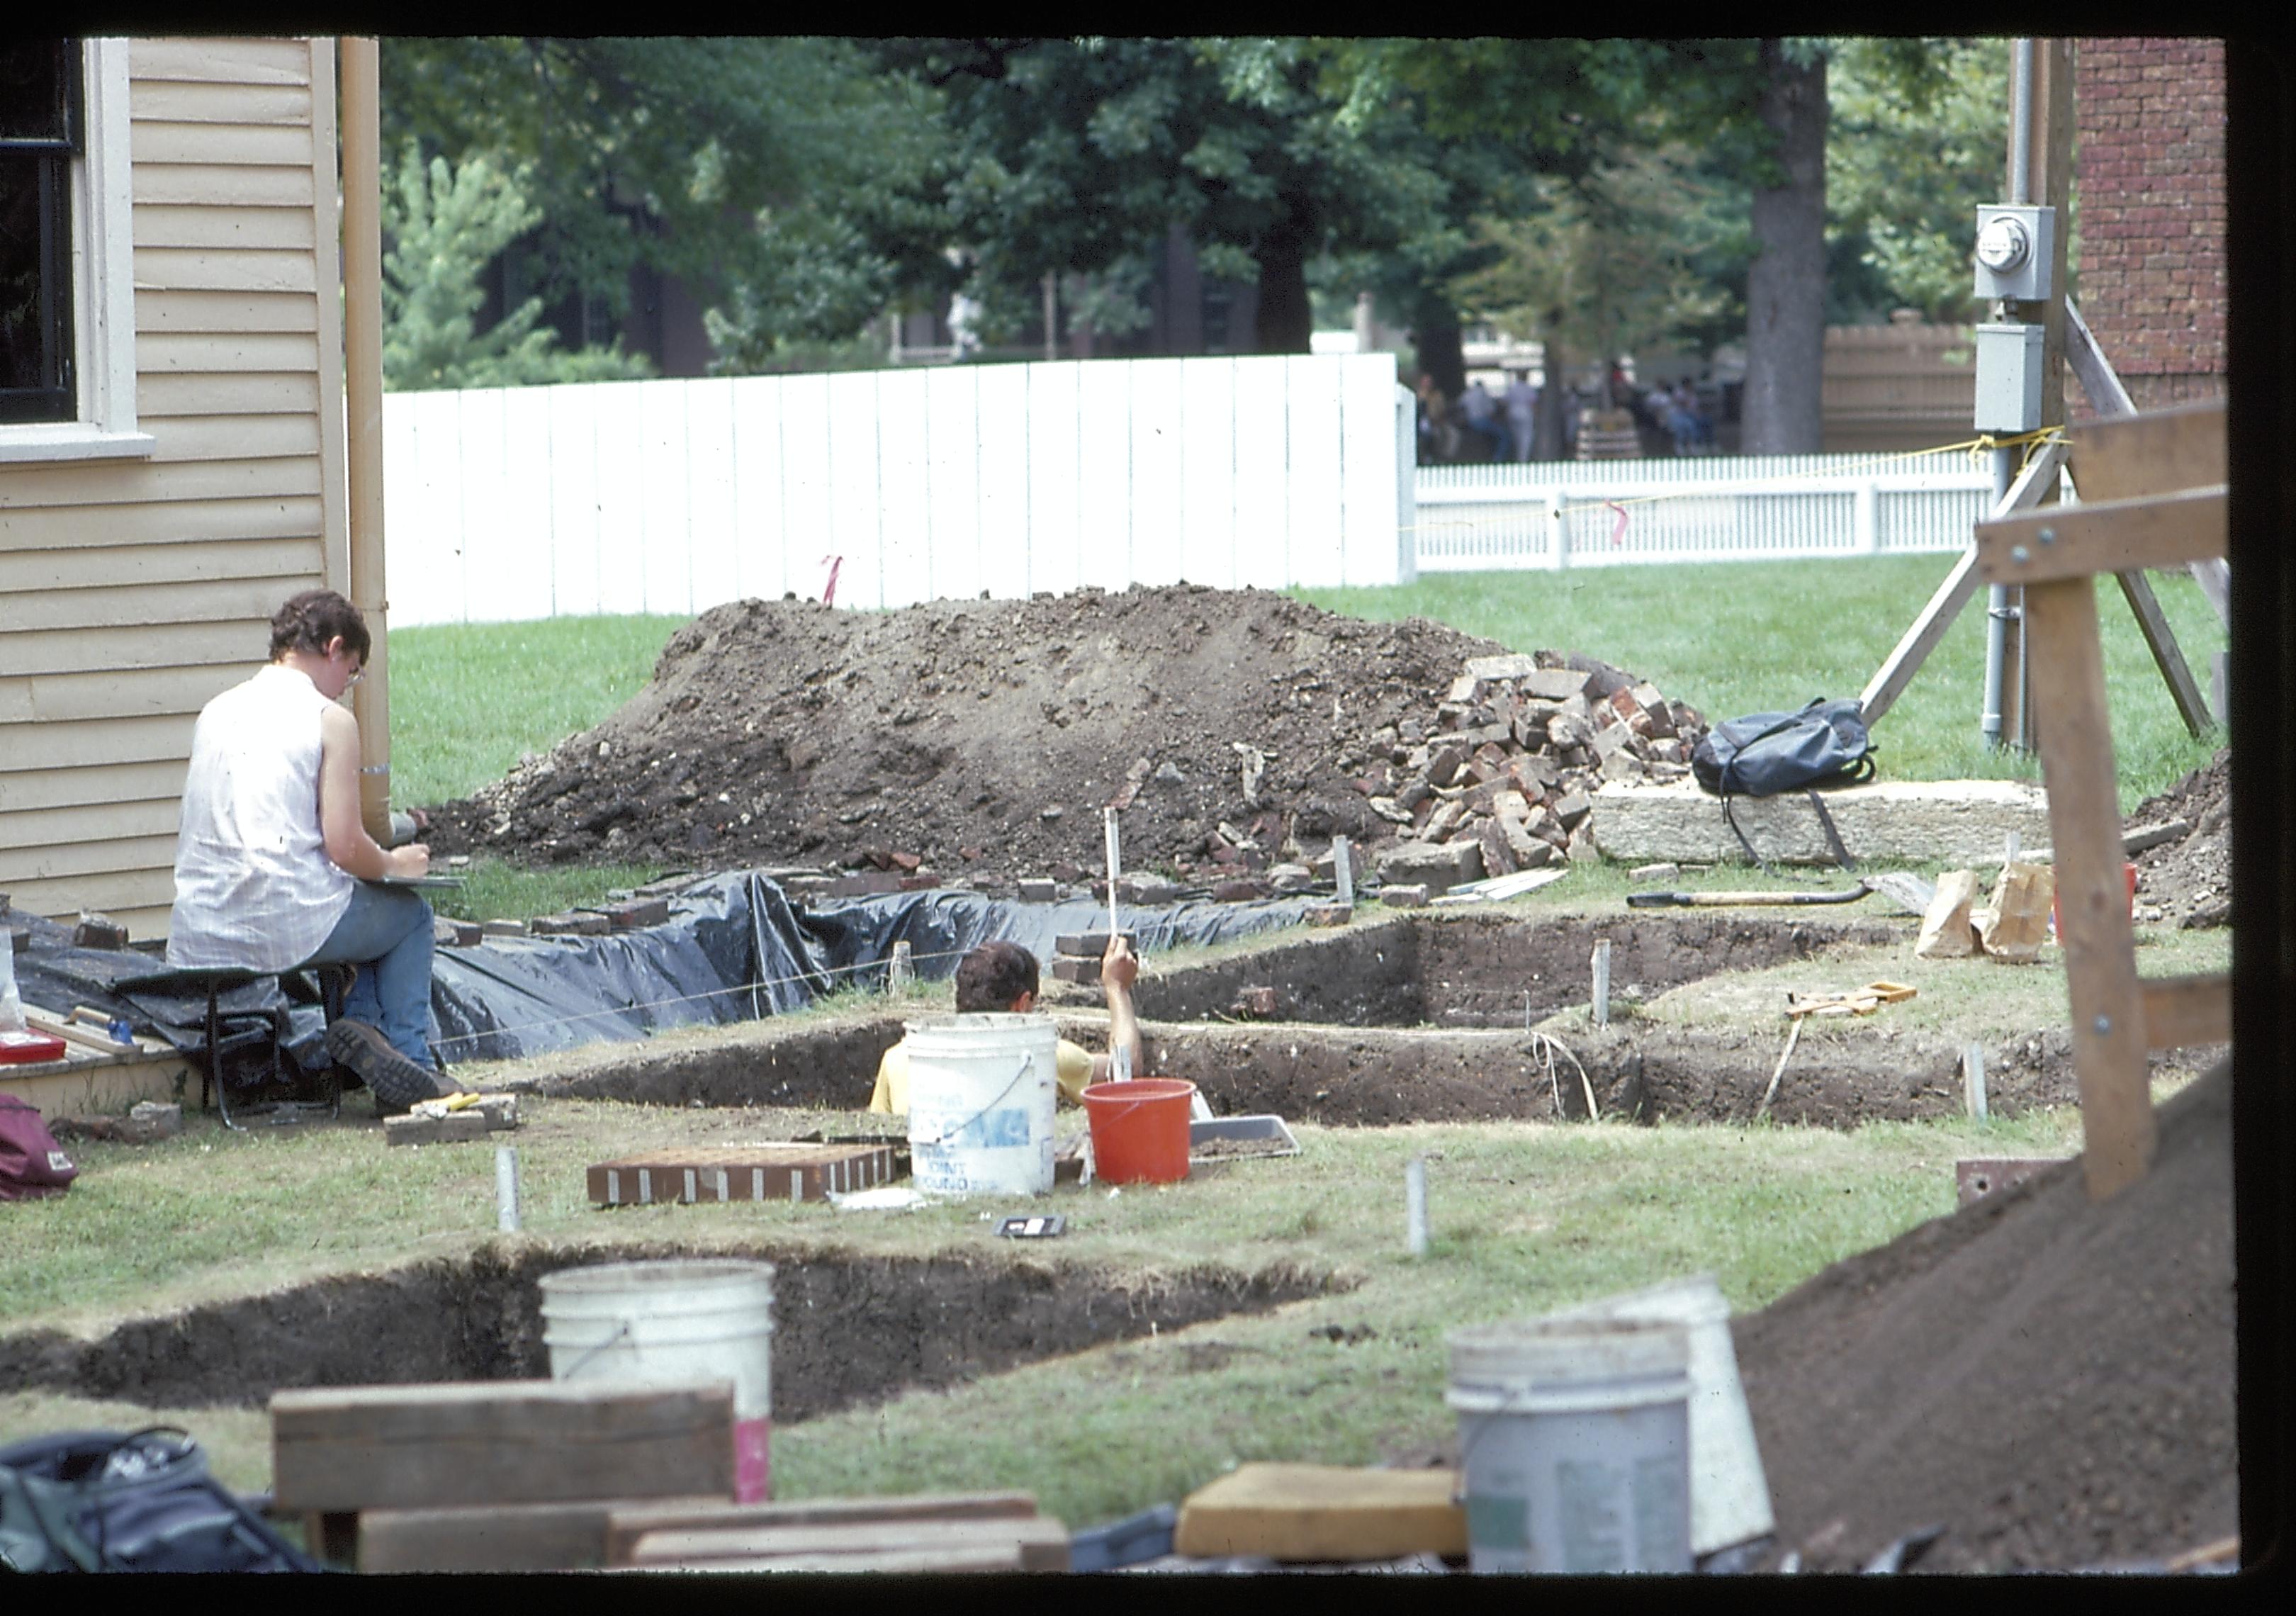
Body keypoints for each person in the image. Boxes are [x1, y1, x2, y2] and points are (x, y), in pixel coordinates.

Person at [167, 589, 456, 1113]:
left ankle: (366, 1032)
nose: (346, 689)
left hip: (201, 927)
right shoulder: (328, 720)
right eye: (351, 673)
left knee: (366, 906)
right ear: (334, 648)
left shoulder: (216, 711)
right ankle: (411, 1065)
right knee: (409, 914)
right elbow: (345, 846)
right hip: (283, 922)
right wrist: (395, 863)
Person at [868, 933, 1144, 1116]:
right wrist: (1117, 988)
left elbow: (878, 1132)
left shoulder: (898, 1058)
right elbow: (1124, 1072)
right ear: (1023, 1004)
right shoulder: (1039, 1055)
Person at [1458, 378, 1508, 461]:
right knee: (1505, 436)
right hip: (1482, 422)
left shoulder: (1468, 394)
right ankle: (1498, 459)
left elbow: (1460, 405)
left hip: (1470, 422)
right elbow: (1491, 411)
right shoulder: (1483, 393)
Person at [1504, 370, 1539, 463]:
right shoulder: (1528, 388)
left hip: (1513, 413)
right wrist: (1536, 417)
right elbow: (1533, 403)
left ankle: (1516, 458)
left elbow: (1505, 401)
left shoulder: (1512, 388)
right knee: (1526, 437)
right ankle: (1522, 460)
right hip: (1525, 413)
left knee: (1516, 437)